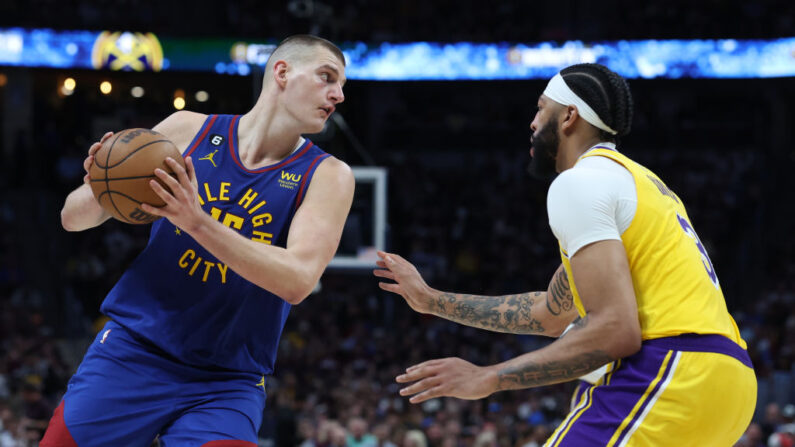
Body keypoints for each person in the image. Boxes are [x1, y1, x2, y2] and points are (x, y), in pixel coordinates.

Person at [374, 63, 756, 446]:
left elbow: (615, 330)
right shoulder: (637, 183)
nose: (533, 122)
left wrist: (489, 376)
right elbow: (551, 315)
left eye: (541, 108)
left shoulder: (580, 182)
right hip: (729, 383)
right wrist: (430, 301)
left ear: (569, 116)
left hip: (675, 369)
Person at [41, 34, 354, 447]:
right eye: (327, 77)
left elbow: (297, 280)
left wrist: (196, 221)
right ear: (281, 72)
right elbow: (71, 217)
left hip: (226, 382)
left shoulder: (329, 175)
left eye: (343, 86)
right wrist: (104, 177)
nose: (338, 95)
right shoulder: (188, 128)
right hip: (134, 351)